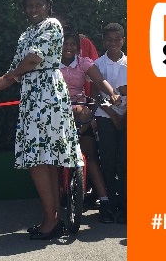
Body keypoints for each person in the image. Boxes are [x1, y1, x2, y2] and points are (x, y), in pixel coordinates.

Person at [0, 0, 82, 240]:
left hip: (47, 95)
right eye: (29, 6)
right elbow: (12, 72)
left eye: (38, 5)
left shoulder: (52, 25)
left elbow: (33, 59)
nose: (33, 10)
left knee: (38, 159)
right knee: (43, 159)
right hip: (33, 97)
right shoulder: (26, 34)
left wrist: (15, 74)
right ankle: (52, 220)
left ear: (48, 6)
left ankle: (50, 222)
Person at [60, 27, 121, 223]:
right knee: (52, 162)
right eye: (65, 44)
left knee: (91, 155)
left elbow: (99, 80)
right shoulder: (49, 63)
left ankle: (104, 201)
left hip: (80, 112)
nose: (68, 48)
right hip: (56, 113)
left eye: (72, 45)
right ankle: (53, 203)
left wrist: (111, 92)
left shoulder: (84, 63)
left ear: (78, 48)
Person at [93, 23, 128, 224]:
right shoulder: (98, 65)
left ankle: (126, 206)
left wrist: (124, 115)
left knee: (125, 161)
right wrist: (113, 115)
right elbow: (96, 94)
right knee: (107, 161)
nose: (113, 43)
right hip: (105, 117)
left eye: (117, 39)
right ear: (104, 41)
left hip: (129, 117)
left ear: (123, 40)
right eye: (109, 40)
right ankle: (110, 204)